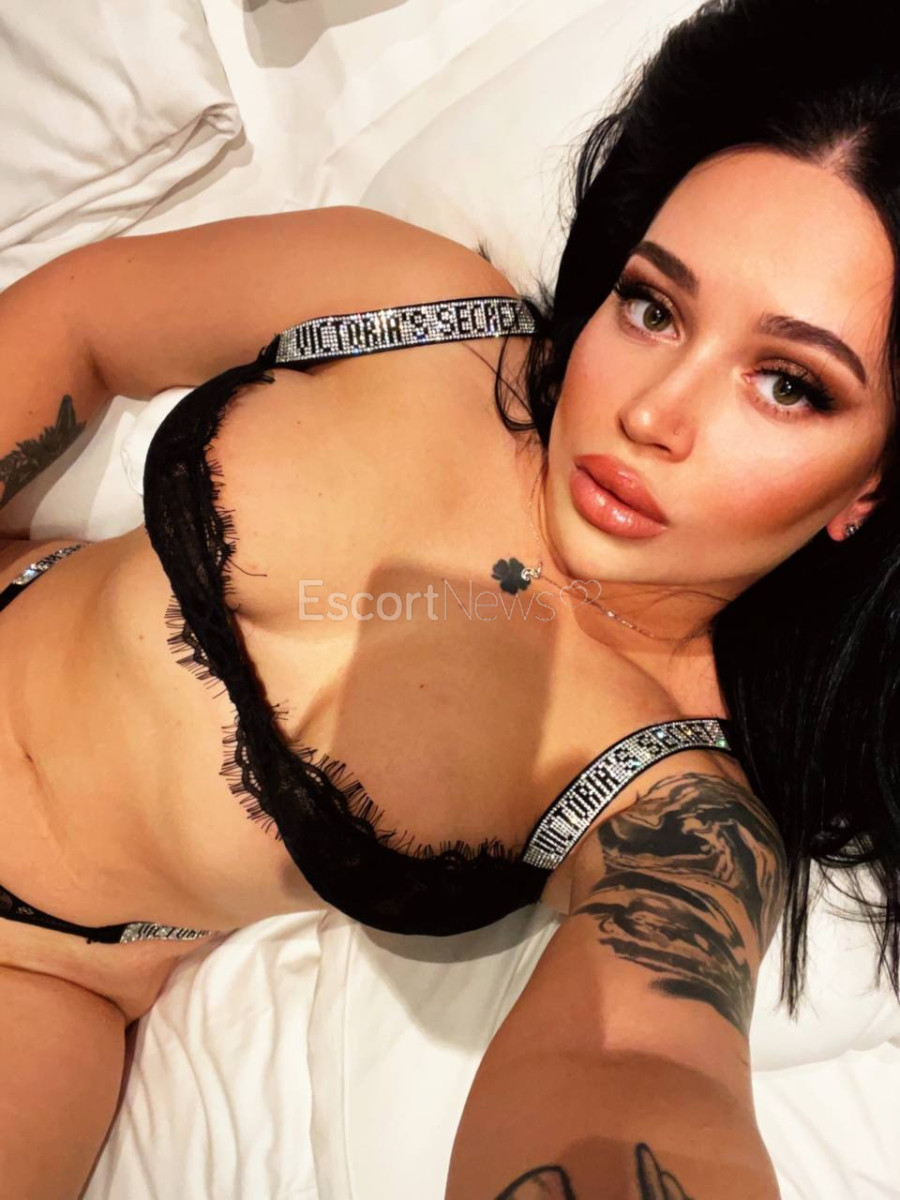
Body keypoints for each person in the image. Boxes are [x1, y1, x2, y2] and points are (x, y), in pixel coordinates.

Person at [1, 0, 897, 1193]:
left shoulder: (675, 803)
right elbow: (84, 323)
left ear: (870, 487)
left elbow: (636, 1066)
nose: (653, 413)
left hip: (37, 974)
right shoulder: (421, 313)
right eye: (654, 307)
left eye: (787, 384)